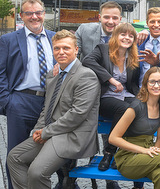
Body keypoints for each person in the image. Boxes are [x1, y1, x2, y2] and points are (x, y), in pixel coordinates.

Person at [7, 30, 100, 189]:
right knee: (14, 157)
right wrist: (38, 130)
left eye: (66, 48)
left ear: (76, 50)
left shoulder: (86, 76)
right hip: (52, 132)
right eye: (57, 48)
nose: (61, 52)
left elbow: (77, 115)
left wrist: (46, 132)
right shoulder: (53, 75)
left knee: (37, 172)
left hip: (73, 136)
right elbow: (47, 108)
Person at [0, 0, 55, 189]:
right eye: (29, 13)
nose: (34, 16)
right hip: (21, 100)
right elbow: (0, 73)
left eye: (38, 12)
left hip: (50, 102)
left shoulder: (54, 37)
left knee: (49, 148)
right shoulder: (8, 40)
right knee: (15, 152)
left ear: (44, 14)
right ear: (21, 16)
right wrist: (8, 102)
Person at [109, 66, 160, 189]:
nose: (156, 85)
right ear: (145, 84)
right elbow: (113, 138)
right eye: (152, 82)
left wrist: (154, 152)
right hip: (128, 158)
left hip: (148, 155)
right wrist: (143, 150)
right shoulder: (135, 107)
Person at [82, 22, 140, 173]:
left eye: (131, 35)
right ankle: (109, 153)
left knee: (139, 107)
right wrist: (110, 79)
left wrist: (143, 98)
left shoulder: (133, 57)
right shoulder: (102, 49)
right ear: (115, 36)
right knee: (125, 109)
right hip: (105, 96)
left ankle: (122, 153)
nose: (127, 38)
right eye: (123, 34)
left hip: (125, 94)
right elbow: (87, 61)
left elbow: (133, 84)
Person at [76, 1, 150, 60]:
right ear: (99, 17)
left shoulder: (127, 35)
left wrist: (146, 32)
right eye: (106, 17)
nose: (110, 22)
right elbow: (73, 54)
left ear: (120, 19)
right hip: (88, 76)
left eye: (115, 18)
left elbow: (152, 36)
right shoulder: (84, 30)